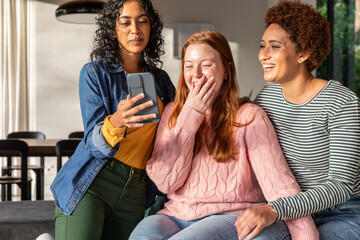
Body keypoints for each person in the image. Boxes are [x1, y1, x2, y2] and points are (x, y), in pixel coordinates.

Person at [129, 30, 318, 240]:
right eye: (189, 66)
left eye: (206, 64)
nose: (197, 74)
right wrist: (191, 115)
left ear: (226, 70)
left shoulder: (249, 116)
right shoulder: (173, 113)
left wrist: (307, 235)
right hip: (175, 215)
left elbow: (280, 186)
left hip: (228, 215)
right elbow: (165, 183)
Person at [50, 0, 175, 239]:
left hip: (137, 189)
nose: (135, 30)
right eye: (125, 22)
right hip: (94, 181)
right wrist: (117, 121)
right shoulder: (94, 73)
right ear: (112, 29)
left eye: (142, 21)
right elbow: (92, 144)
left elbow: (178, 131)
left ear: (152, 27)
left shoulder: (161, 81)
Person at [236, 1, 360, 240]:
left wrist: (274, 209)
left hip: (343, 212)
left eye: (275, 46)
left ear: (303, 53)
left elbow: (341, 186)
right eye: (263, 46)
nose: (263, 55)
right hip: (292, 212)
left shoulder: (341, 103)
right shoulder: (267, 98)